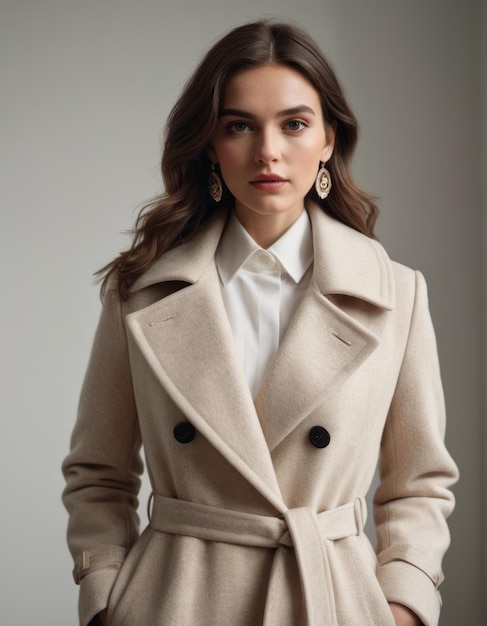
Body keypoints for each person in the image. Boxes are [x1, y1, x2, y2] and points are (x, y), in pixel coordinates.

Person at [62, 19, 458, 626]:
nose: (267, 151)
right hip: (175, 601)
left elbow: (419, 482)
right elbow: (98, 472)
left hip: (330, 599)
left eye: (294, 124)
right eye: (239, 126)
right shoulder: (142, 294)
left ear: (329, 139)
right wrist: (104, 596)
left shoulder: (394, 294)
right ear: (211, 147)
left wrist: (404, 604)